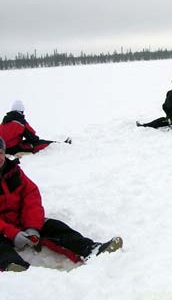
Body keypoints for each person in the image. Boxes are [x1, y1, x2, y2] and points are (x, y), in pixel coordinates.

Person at [0, 137, 122, 272]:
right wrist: (12, 233)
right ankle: (13, 269)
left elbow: (31, 196)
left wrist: (32, 227)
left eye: (0, 152)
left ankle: (91, 249)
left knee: (55, 227)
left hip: (21, 221)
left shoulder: (14, 172)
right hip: (2, 230)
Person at [0, 100, 71, 155]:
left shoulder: (3, 122)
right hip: (12, 149)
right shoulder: (21, 122)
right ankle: (60, 144)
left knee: (25, 142)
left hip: (2, 148)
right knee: (39, 143)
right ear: (21, 111)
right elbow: (33, 137)